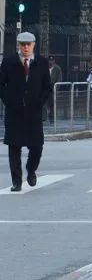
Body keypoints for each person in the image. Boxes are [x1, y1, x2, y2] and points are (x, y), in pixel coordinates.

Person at [0, 32, 52, 192]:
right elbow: (1, 85)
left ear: (34, 45)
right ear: (18, 45)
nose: (26, 47)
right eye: (23, 44)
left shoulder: (41, 63)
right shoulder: (9, 63)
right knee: (14, 146)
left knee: (37, 146)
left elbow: (47, 87)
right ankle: (16, 181)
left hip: (33, 112)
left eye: (28, 44)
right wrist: (9, 100)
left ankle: (31, 170)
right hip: (14, 112)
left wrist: (39, 102)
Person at [45, 55, 62, 121]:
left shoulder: (57, 68)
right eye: (49, 60)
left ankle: (52, 118)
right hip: (46, 88)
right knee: (44, 103)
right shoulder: (45, 68)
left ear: (54, 61)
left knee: (52, 104)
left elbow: (59, 79)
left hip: (53, 88)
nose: (50, 62)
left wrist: (55, 88)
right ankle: (44, 118)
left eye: (52, 60)